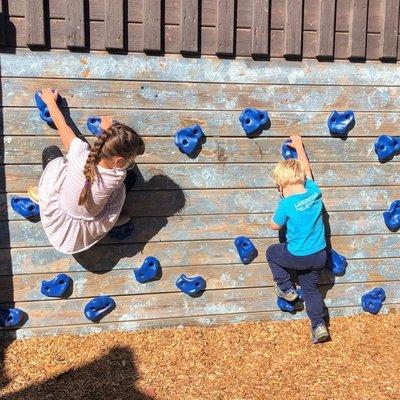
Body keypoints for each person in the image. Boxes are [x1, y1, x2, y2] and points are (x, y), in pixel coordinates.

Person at [30, 88, 145, 254]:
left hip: (61, 214)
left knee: (51, 152)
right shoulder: (118, 176)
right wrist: (107, 135)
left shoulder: (79, 153)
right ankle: (113, 221)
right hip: (88, 224)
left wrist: (49, 101)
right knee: (131, 180)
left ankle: (43, 195)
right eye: (130, 160)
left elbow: (62, 125)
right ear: (118, 161)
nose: (130, 163)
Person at [266, 135, 329, 343]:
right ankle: (319, 325)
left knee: (272, 252)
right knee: (311, 290)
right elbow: (307, 168)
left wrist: (275, 213)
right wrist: (299, 146)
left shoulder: (286, 204)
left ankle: (286, 288)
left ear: (281, 186)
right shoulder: (313, 191)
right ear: (301, 178)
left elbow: (275, 225)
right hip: (319, 255)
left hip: (298, 256)